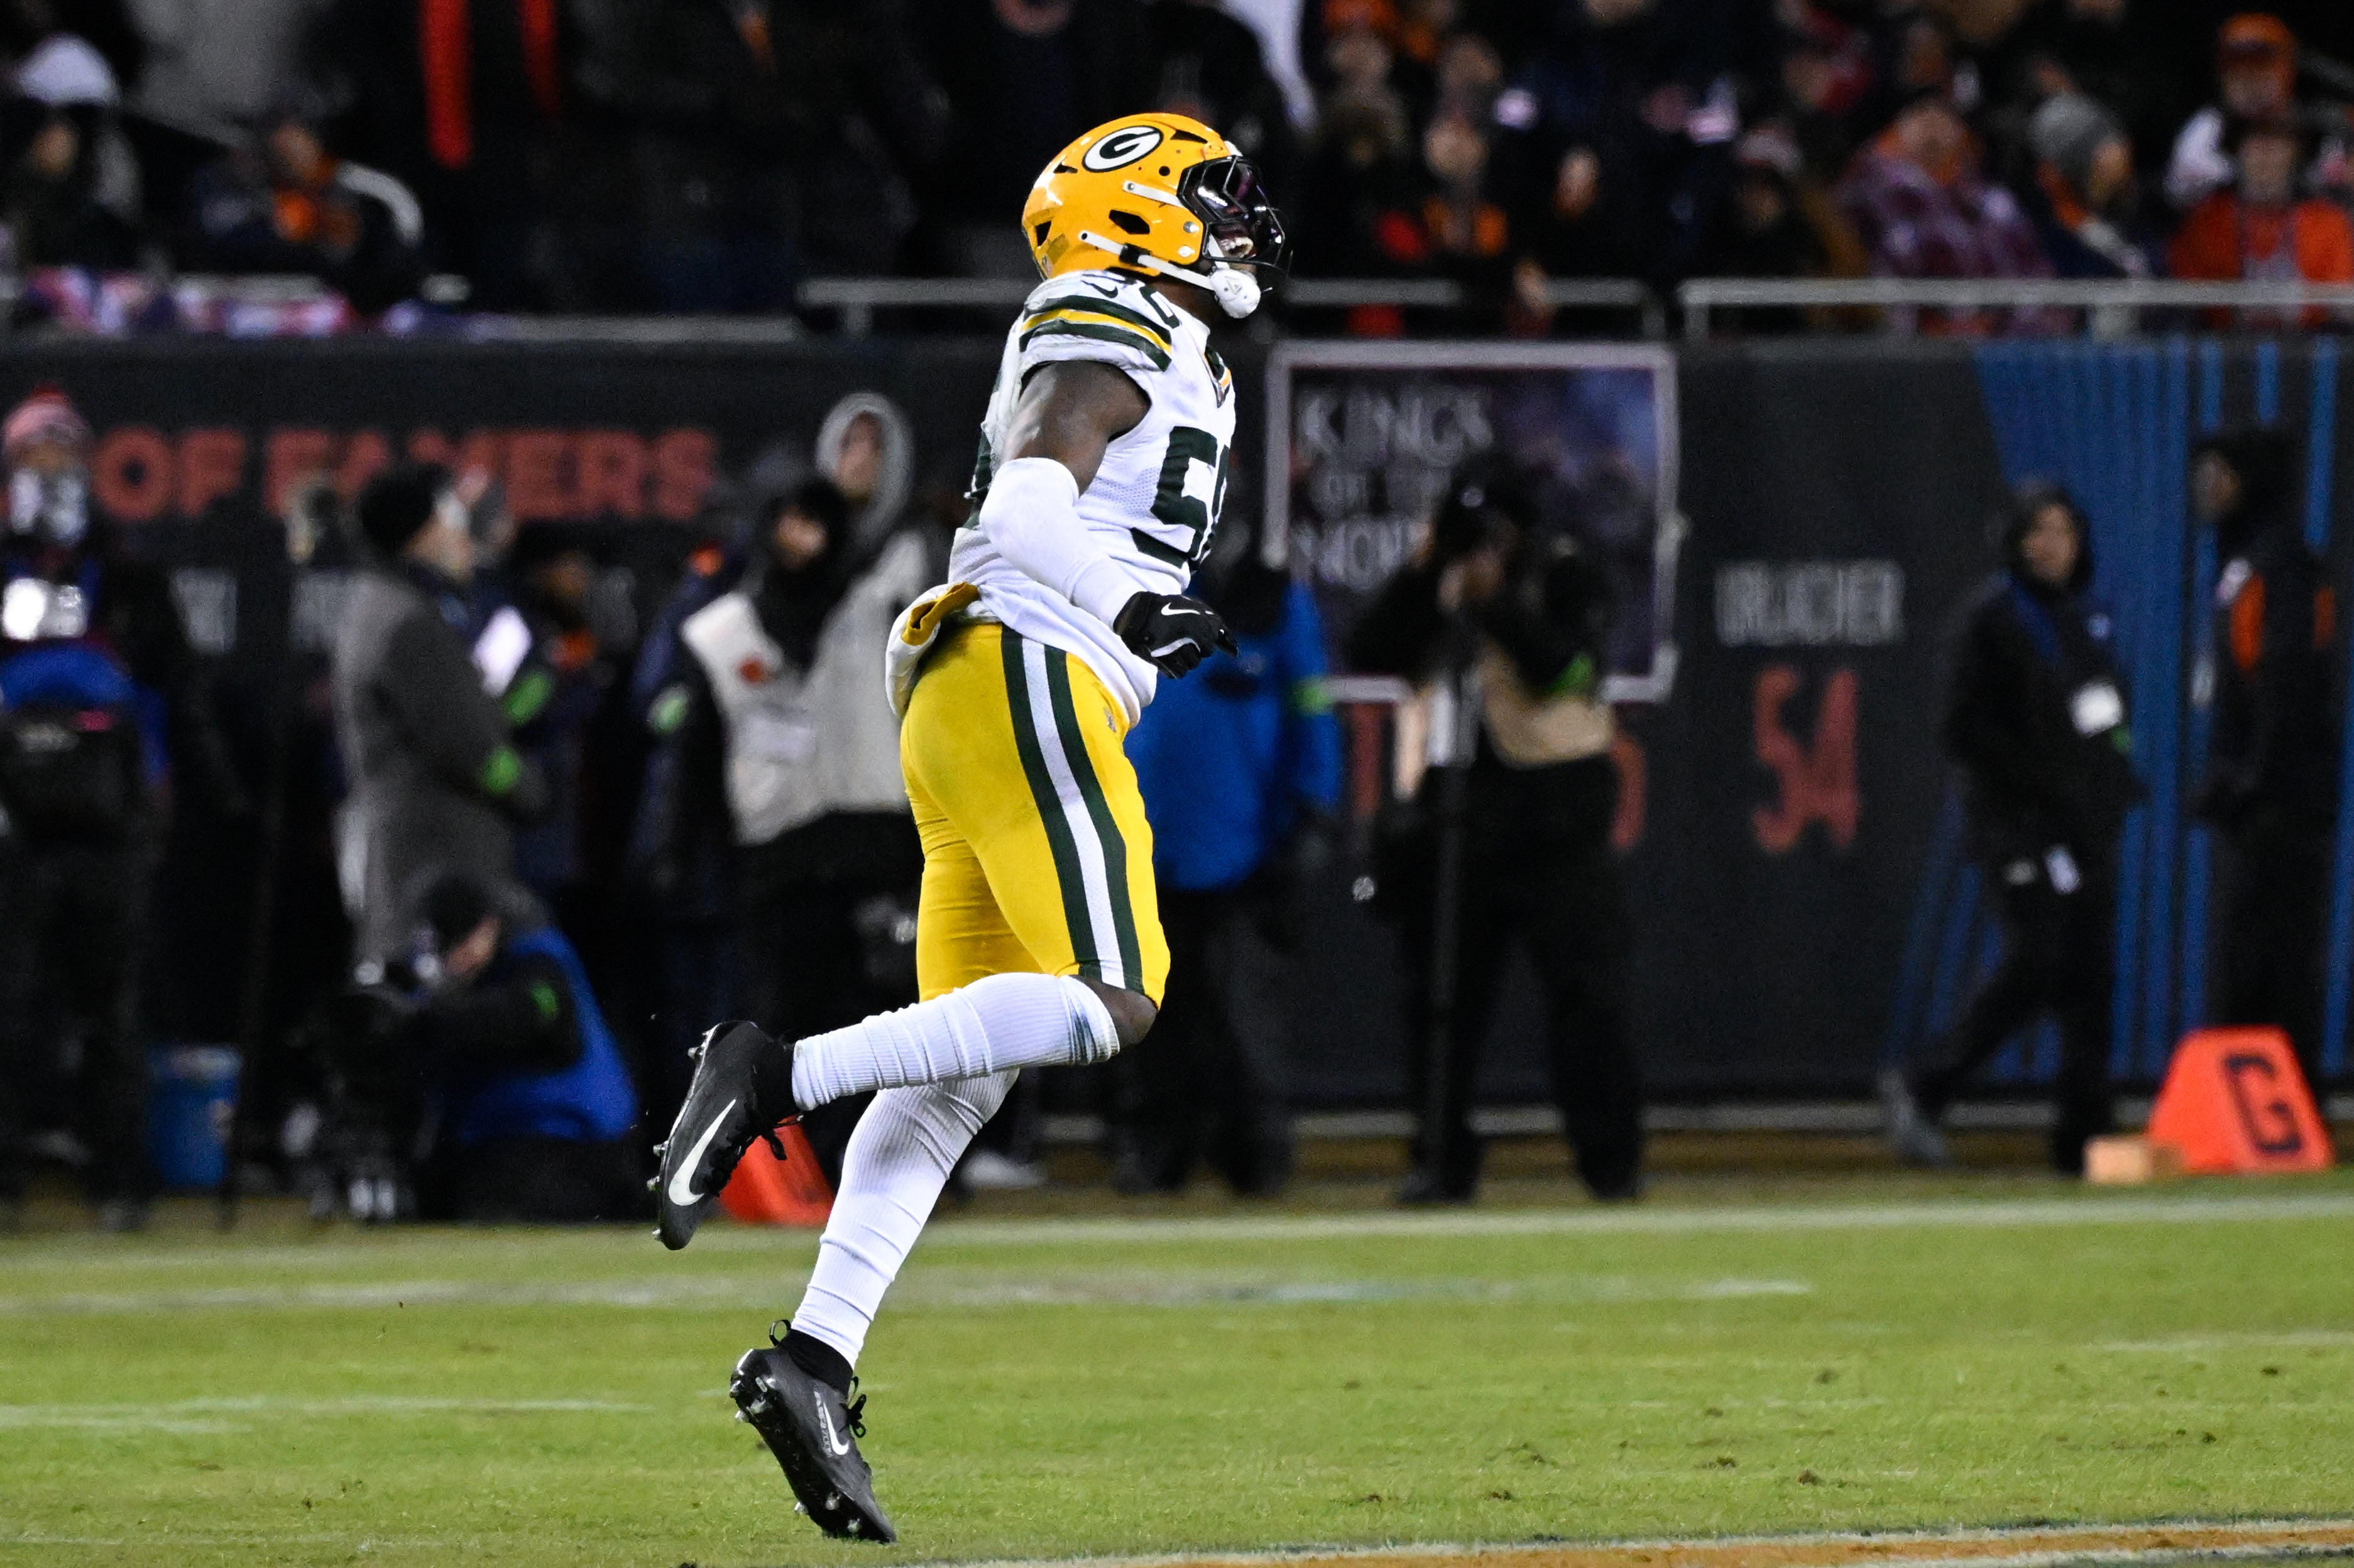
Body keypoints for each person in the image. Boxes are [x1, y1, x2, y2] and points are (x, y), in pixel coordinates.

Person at [649, 112, 1286, 1542]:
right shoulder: (1112, 309)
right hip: (1031, 667)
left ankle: (810, 1359)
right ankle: (771, 1068)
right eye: (1210, 197)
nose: (1240, 220)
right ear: (1132, 220)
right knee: (1115, 998)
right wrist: (1126, 604)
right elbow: (1049, 478)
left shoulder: (1174, 340)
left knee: (961, 1068)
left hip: (979, 694)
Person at [1345, 466, 1642, 1205]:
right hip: (1455, 811)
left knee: (1585, 993)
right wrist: (1427, 570)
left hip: (1555, 810)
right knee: (1440, 996)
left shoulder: (1565, 571)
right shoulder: (1436, 579)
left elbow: (1561, 668)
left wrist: (1497, 601)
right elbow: (1367, 650)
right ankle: (1439, 1160)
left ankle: (1610, 1164)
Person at [0, 389, 238, 1229]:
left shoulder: (127, 573)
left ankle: (119, 1175)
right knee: (10, 1002)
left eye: (65, 457)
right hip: (14, 824)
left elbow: (175, 689)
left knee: (113, 1007)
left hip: (109, 820)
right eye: (35, 459)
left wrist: (200, 793)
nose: (51, 475)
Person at [659, 478, 934, 1178]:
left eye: (811, 520)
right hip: (778, 863)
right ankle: (792, 1177)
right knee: (785, 1026)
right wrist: (677, 854)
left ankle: (897, 1168)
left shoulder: (883, 612)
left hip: (880, 852)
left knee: (892, 1023)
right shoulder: (720, 631)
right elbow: (695, 758)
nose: (797, 537)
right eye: (783, 518)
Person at [1881, 484, 2141, 1176]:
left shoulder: (2086, 618)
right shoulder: (1990, 620)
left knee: (2089, 974)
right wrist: (2029, 786)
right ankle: (1925, 1083)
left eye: (2062, 530)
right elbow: (1959, 727)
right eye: (2037, 531)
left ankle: (2083, 1138)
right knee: (2036, 959)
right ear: (2014, 540)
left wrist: (2112, 780)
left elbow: (2105, 713)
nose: (2050, 544)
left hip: (2083, 823)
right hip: (2018, 823)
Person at [1115, 539, 1341, 1196]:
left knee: (1244, 1015)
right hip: (1145, 841)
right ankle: (1157, 1153)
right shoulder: (1120, 584)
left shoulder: (1270, 599)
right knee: (1147, 1014)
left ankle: (1257, 1157)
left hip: (1244, 844)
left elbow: (1310, 706)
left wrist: (1313, 808)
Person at [310, 871, 640, 1222]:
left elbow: (523, 1014)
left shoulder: (539, 962)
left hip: (576, 1139)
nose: (455, 959)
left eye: (462, 943)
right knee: (431, 1197)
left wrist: (425, 1015)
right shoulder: (432, 978)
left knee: (498, 1202)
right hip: (490, 1137)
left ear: (489, 927)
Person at [331, 464, 546, 968]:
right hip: (437, 859)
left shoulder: (375, 603)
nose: (461, 536)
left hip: (410, 852)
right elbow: (469, 744)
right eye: (449, 519)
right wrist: (530, 792)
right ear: (420, 534)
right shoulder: (408, 619)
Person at [2193, 426, 2338, 1086]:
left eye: (2220, 471)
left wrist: (2251, 778)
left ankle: (2273, 1102)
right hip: (2260, 796)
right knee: (2253, 955)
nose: (2205, 486)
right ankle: (2257, 1101)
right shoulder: (2240, 560)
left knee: (2266, 957)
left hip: (2279, 802)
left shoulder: (2281, 566)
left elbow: (2285, 680)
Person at [2168, 113, 2354, 326]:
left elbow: (2340, 300)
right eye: (2255, 145)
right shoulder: (2207, 220)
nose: (2265, 156)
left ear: (2296, 155)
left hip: (2312, 347)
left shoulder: (2328, 223)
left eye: (2277, 146)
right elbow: (2188, 295)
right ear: (2238, 152)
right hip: (2223, 347)